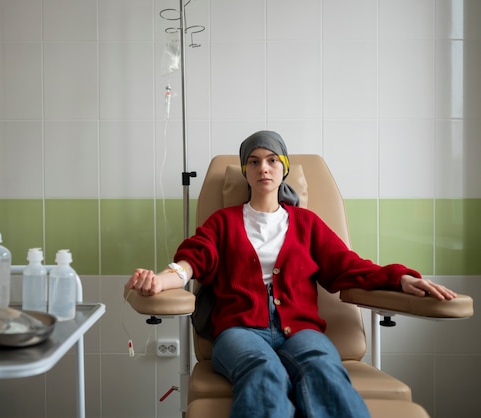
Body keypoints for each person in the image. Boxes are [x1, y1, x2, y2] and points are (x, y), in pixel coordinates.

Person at [125, 130, 457, 418]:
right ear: (245, 171)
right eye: (253, 161)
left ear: (283, 167)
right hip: (239, 330)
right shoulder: (223, 222)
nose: (263, 168)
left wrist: (401, 278)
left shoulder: (306, 224)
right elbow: (190, 263)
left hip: (301, 331)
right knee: (263, 370)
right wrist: (159, 280)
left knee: (323, 368)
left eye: (271, 159)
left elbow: (350, 266)